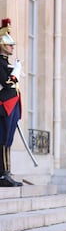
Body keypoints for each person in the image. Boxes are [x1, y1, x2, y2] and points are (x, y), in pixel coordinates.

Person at [0, 18, 23, 187]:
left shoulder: (6, 63)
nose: (12, 47)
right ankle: (2, 174)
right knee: (3, 139)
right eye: (9, 45)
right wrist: (15, 72)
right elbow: (6, 83)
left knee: (8, 139)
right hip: (3, 106)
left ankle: (6, 171)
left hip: (12, 104)